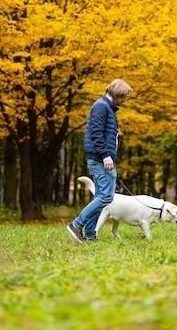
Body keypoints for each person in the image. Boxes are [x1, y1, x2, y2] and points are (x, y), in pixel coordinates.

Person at [67, 79, 133, 243]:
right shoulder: (101, 107)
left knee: (101, 196)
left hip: (104, 159)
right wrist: (105, 155)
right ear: (118, 94)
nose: (124, 100)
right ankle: (76, 224)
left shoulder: (107, 108)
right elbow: (96, 133)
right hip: (100, 159)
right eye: (124, 96)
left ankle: (89, 234)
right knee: (105, 197)